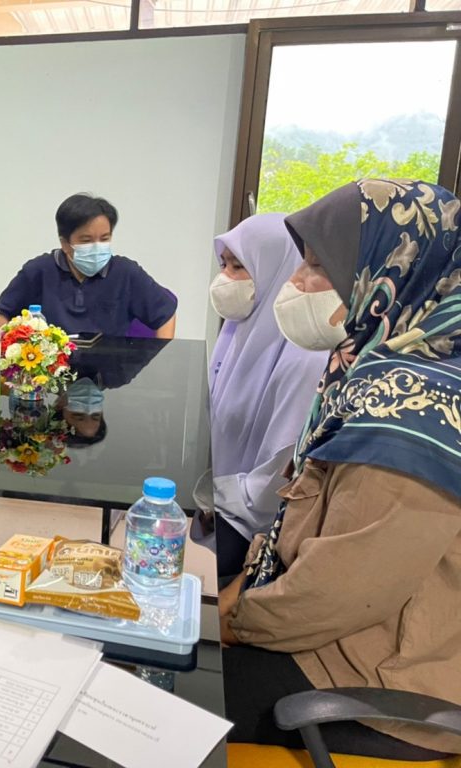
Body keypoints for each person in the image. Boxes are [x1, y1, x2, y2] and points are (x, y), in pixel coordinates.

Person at [220, 180, 461, 760]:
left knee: (169, 690)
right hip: (336, 639)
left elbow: (338, 592)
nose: (296, 283)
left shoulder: (412, 411)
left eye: (318, 267)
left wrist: (231, 622)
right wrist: (237, 593)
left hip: (374, 681)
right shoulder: (373, 366)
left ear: (389, 273)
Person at [206, 214, 327, 578]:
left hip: (257, 521)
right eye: (224, 264)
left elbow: (277, 477)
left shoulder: (307, 356)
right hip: (221, 497)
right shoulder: (236, 332)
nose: (225, 278)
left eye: (238, 266)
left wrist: (215, 496)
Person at [0, 194, 177, 338]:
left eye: (104, 238)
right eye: (86, 240)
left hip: (111, 371)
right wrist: (16, 351)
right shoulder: (39, 271)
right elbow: (0, 314)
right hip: (52, 371)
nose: (97, 247)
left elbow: (166, 316)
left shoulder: (126, 272)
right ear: (65, 243)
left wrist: (160, 360)